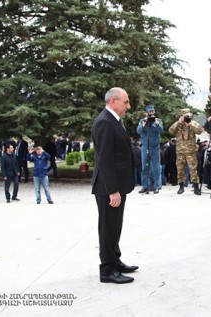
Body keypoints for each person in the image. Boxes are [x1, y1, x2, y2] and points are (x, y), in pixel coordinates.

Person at [91, 87, 137, 284]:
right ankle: (107, 270)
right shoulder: (104, 123)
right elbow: (105, 160)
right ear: (113, 102)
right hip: (109, 188)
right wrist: (113, 191)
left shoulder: (113, 120)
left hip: (118, 185)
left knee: (115, 226)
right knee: (108, 227)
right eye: (125, 102)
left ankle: (115, 260)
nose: (128, 106)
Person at [169, 108, 203, 195]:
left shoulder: (192, 123)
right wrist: (178, 123)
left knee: (193, 169)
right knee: (180, 169)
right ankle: (181, 187)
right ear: (181, 116)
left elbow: (199, 131)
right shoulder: (178, 124)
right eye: (185, 115)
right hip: (180, 151)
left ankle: (196, 187)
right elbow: (170, 131)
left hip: (191, 151)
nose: (187, 117)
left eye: (188, 115)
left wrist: (190, 125)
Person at [137, 105, 163, 194]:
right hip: (145, 147)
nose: (151, 113)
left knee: (156, 168)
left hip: (155, 148)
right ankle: (144, 187)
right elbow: (138, 131)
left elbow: (161, 130)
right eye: (150, 111)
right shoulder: (142, 121)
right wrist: (144, 123)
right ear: (147, 112)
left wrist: (156, 123)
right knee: (144, 168)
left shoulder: (158, 121)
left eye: (153, 111)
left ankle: (156, 187)